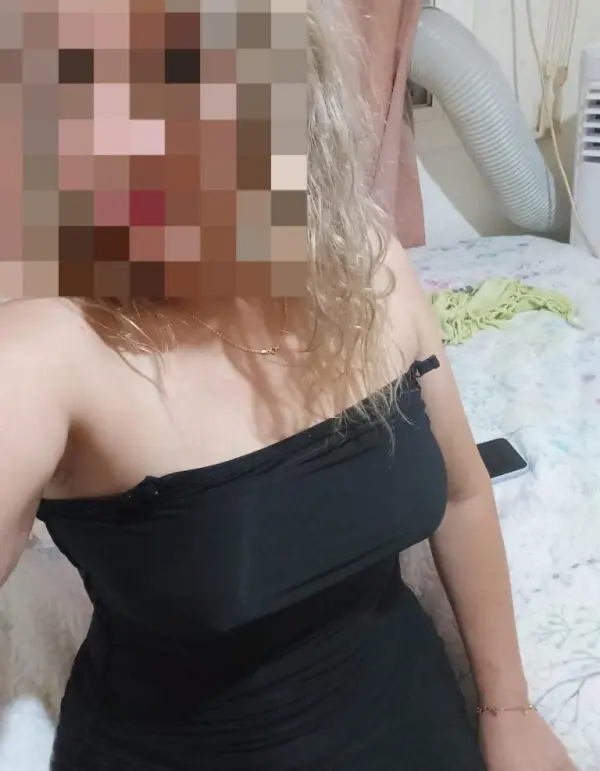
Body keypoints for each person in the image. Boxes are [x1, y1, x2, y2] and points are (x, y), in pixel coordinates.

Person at [0, 0, 575, 769]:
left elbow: (464, 493)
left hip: (410, 716)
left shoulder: (364, 262)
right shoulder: (50, 347)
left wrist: (509, 708)